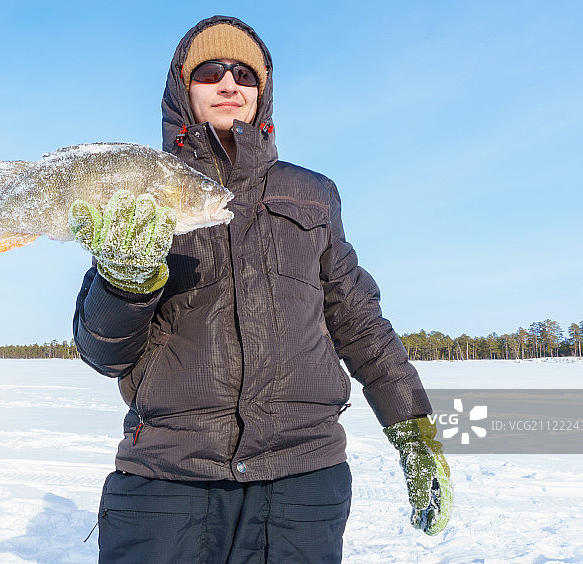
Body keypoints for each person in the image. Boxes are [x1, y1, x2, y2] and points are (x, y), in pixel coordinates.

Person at [71, 15, 453, 563]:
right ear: (182, 86)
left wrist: (415, 432)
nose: (230, 84)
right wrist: (124, 281)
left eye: (245, 75)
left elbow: (361, 324)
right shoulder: (141, 190)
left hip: (301, 483)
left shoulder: (312, 195)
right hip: (168, 479)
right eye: (210, 71)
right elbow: (104, 353)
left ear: (263, 93)